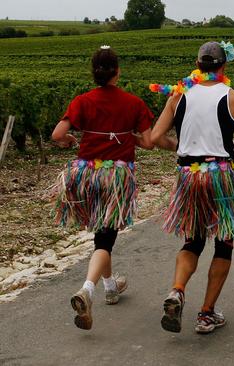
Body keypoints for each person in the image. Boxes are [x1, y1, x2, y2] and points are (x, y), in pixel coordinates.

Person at [151, 41, 234, 334]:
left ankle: (177, 290)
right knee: (223, 243)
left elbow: (154, 137)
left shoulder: (178, 97)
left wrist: (178, 147)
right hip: (222, 176)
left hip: (189, 176)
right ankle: (206, 314)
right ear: (224, 65)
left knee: (193, 240)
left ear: (198, 64)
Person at [51, 46, 154, 330]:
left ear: (93, 72)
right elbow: (147, 142)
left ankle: (110, 286)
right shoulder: (133, 103)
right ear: (117, 71)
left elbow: (57, 134)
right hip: (115, 178)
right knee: (105, 239)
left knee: (102, 234)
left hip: (85, 176)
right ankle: (88, 289)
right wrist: (128, 137)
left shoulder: (82, 101)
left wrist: (71, 141)